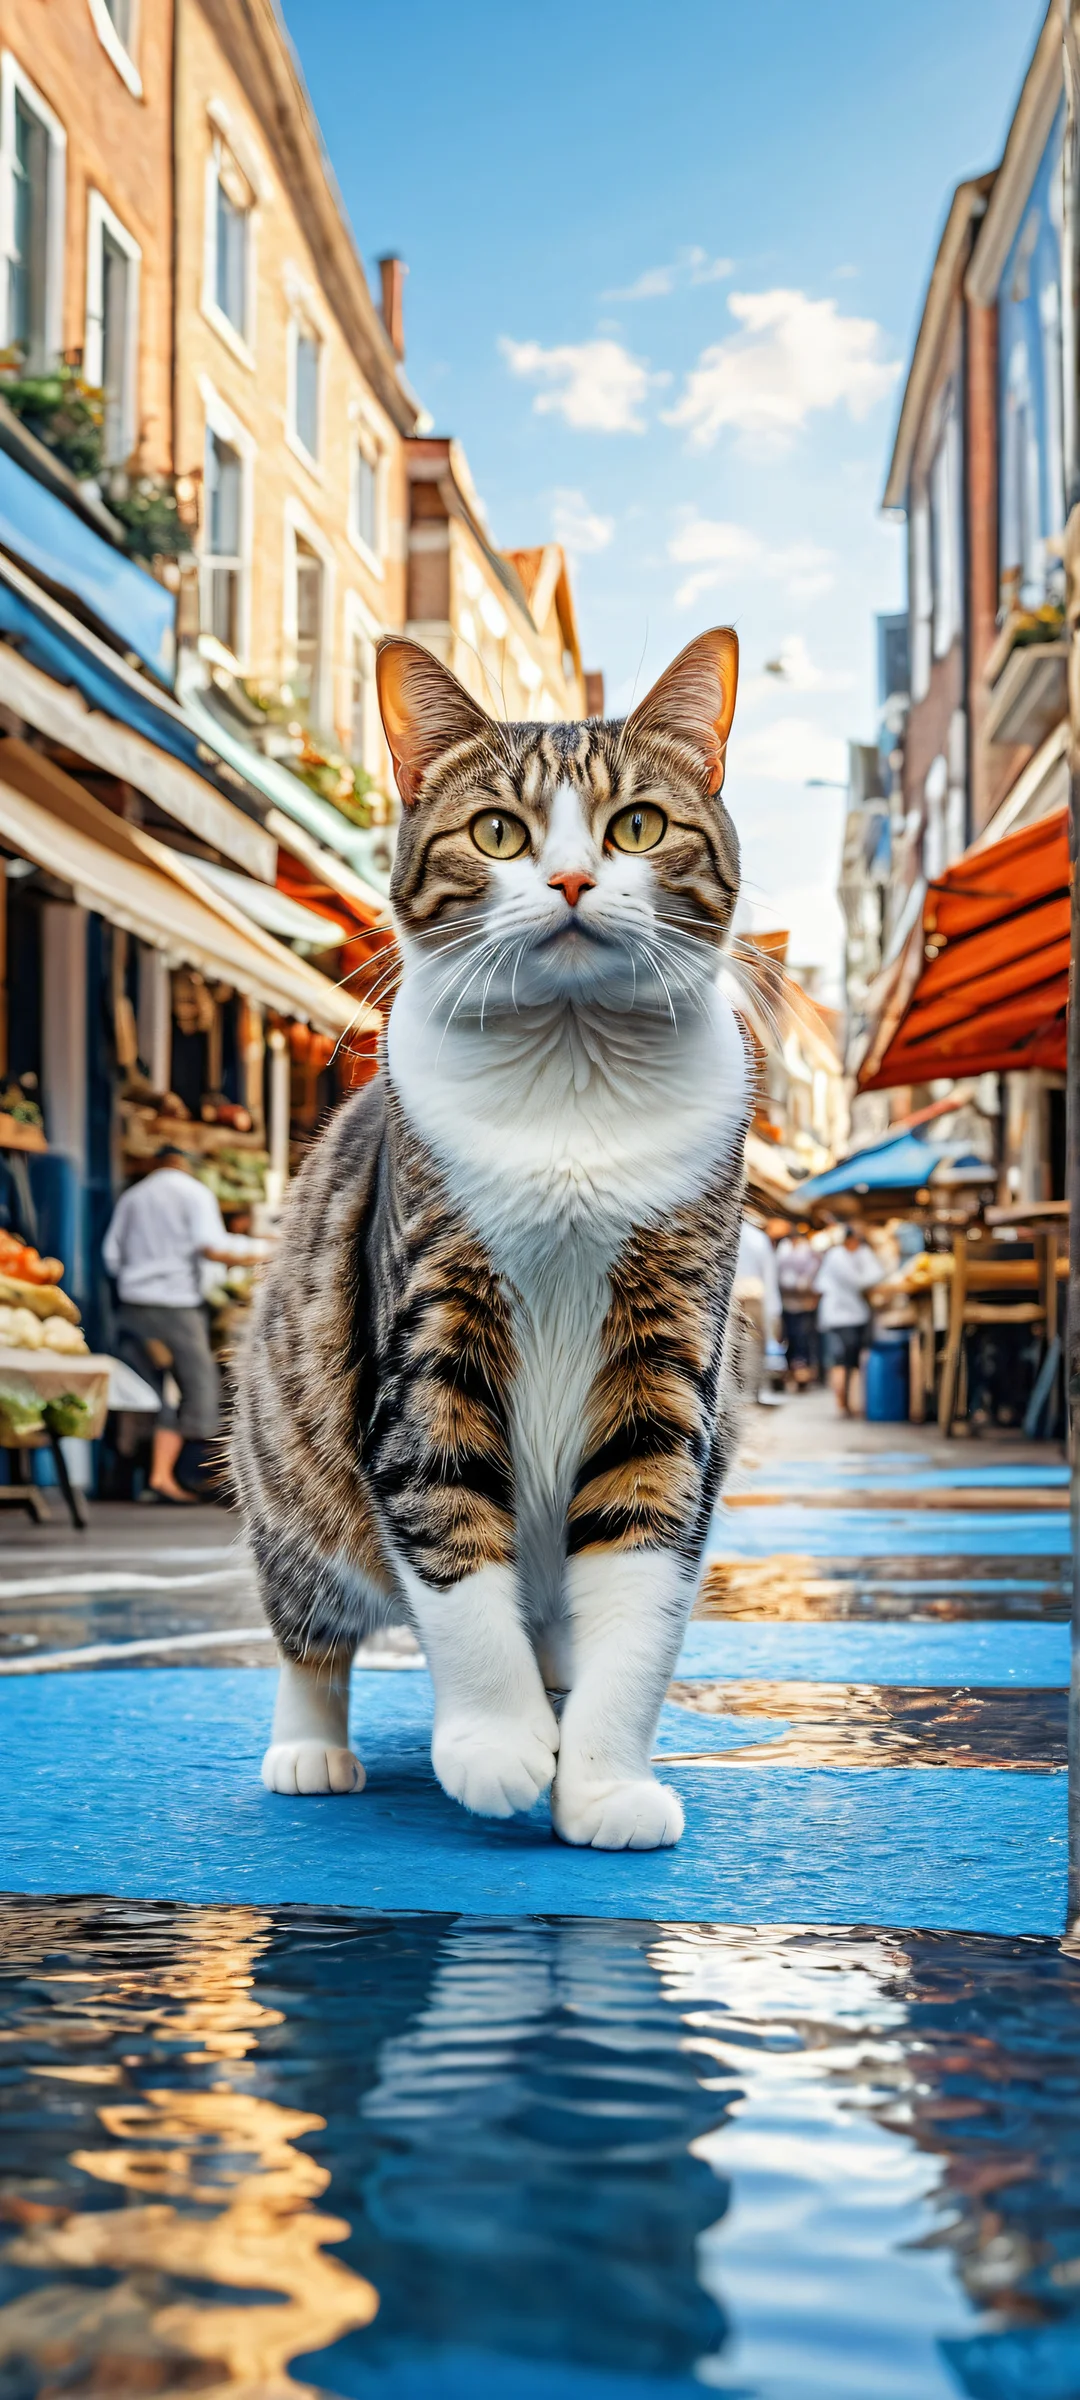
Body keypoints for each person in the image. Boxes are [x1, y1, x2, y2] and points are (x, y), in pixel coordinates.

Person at [103, 1146, 264, 1503]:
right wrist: (264, 1250)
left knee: (147, 1393)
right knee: (200, 1392)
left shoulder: (132, 1196)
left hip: (131, 1306)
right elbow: (213, 1247)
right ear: (185, 1164)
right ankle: (179, 1476)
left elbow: (111, 1256)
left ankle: (146, 1476)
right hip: (176, 1308)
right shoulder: (194, 1192)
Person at [815, 1223, 880, 1416]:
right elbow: (860, 1280)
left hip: (853, 1316)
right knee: (840, 1362)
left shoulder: (857, 1254)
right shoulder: (837, 1256)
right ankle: (842, 1404)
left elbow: (875, 1272)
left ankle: (848, 1403)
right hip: (838, 1318)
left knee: (850, 1362)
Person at [775, 1222, 820, 1388]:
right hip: (787, 1303)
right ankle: (792, 1371)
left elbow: (814, 1273)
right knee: (790, 1338)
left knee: (803, 1339)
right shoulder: (783, 1251)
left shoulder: (808, 1251)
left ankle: (803, 1374)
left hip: (804, 1303)